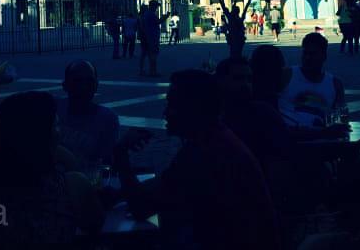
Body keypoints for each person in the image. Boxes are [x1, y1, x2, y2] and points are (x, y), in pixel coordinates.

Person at [114, 70, 280, 249]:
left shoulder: (203, 153)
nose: (165, 113)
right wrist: (119, 194)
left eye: (172, 105)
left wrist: (120, 152)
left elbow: (141, 207)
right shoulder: (214, 138)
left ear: (192, 109)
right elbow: (166, 185)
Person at [0, 92, 103, 247]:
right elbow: (94, 225)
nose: (60, 132)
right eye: (55, 126)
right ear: (44, 136)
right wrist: (69, 160)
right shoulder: (71, 188)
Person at [56, 61, 120, 167]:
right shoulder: (107, 118)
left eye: (89, 82)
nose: (83, 87)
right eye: (77, 81)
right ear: (65, 85)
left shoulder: (108, 120)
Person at [279, 32, 347, 128]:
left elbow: (342, 119)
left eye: (313, 54)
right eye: (305, 53)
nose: (307, 58)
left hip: (323, 139)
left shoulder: (335, 84)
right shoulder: (287, 75)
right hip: (291, 138)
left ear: (324, 56)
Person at [140, 0, 161, 77]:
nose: (157, 8)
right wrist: (165, 17)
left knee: (146, 54)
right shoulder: (151, 14)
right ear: (153, 6)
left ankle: (145, 70)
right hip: (151, 37)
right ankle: (153, 72)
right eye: (156, 6)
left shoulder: (146, 14)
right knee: (153, 55)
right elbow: (158, 22)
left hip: (147, 37)